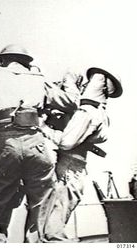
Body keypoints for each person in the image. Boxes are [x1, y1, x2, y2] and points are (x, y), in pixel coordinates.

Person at [0, 44, 79, 243]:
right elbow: (70, 103)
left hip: (7, 143)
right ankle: (43, 242)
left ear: (2, 60)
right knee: (43, 201)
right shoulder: (40, 80)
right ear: (27, 62)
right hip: (37, 144)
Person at [38, 67, 123, 242]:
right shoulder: (98, 111)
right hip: (75, 167)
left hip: (68, 168)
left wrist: (44, 128)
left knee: (53, 229)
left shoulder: (87, 112)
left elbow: (66, 143)